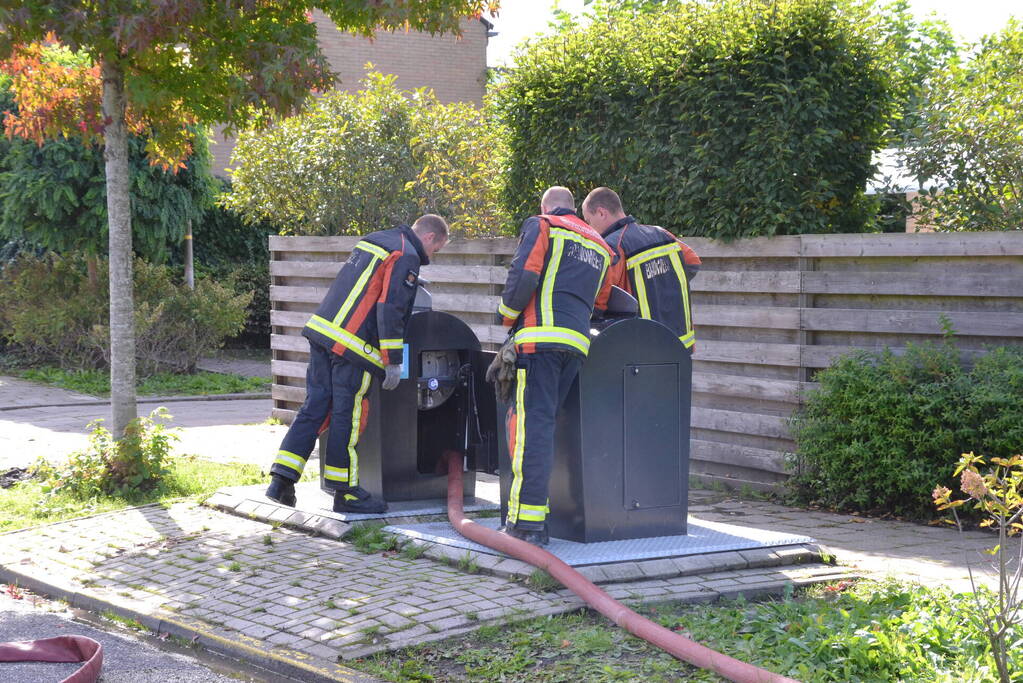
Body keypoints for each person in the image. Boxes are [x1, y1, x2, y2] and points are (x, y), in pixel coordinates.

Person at [265, 215, 449, 513]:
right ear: (430, 238)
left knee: (314, 408)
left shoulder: (376, 239)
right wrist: (392, 360)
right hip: (353, 347)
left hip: (324, 333)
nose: (432, 256)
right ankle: (346, 493)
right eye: (437, 250)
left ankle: (281, 480)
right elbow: (391, 308)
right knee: (347, 417)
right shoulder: (408, 254)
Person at [496, 186, 613, 546]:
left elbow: (524, 273)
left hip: (539, 341)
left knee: (531, 429)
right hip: (576, 346)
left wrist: (506, 318)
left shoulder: (543, 225)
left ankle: (527, 523)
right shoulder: (601, 246)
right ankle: (535, 517)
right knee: (545, 426)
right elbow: (602, 301)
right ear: (575, 208)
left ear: (546, 206)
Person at [582, 187, 701, 351]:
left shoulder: (613, 246)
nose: (590, 228)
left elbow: (602, 295)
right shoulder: (661, 234)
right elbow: (693, 262)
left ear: (601, 213)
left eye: (588, 221)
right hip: (679, 344)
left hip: (643, 348)